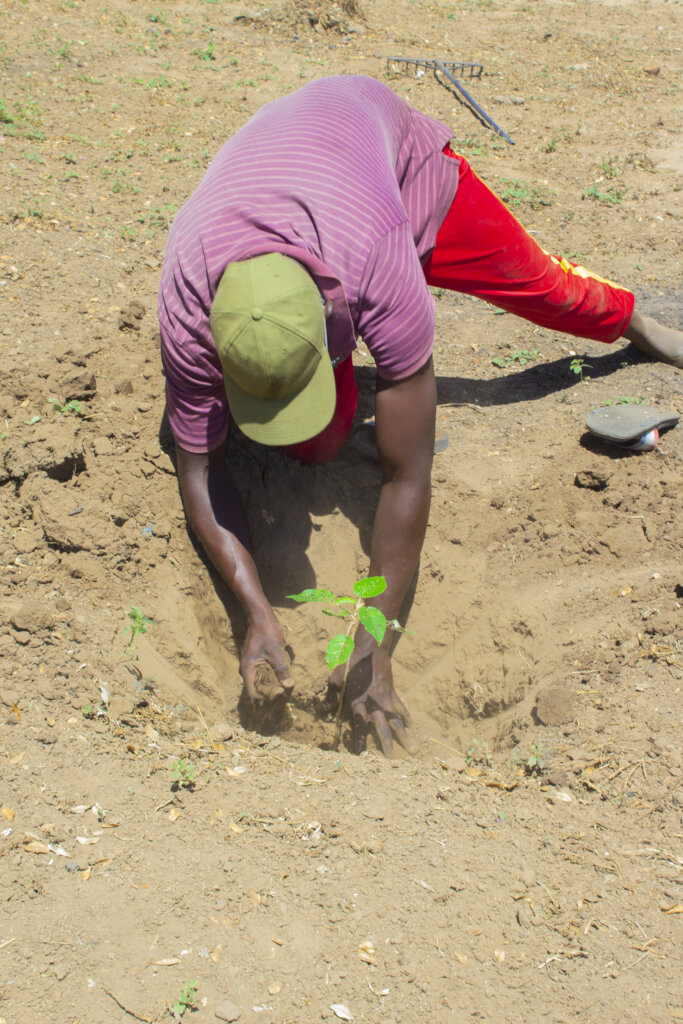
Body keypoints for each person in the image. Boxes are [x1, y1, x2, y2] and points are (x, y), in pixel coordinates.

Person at [158, 75, 682, 756]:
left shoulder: (378, 259)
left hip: (389, 165)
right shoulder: (188, 299)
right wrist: (253, 612)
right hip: (295, 177)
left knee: (542, 288)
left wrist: (375, 644)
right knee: (314, 443)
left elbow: (407, 474)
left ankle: (637, 323)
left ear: (331, 321)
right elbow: (199, 468)